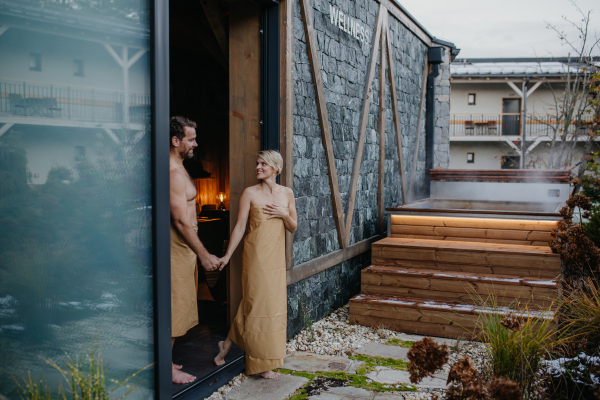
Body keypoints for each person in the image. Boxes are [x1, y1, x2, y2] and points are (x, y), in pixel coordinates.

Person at [213, 150, 297, 379]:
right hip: (255, 258)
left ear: (276, 168)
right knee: (255, 304)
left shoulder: (287, 193)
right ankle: (260, 364)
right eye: (257, 163)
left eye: (263, 164)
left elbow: (293, 227)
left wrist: (283, 214)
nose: (258, 167)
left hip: (276, 260)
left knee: (269, 307)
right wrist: (228, 255)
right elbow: (240, 227)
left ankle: (227, 345)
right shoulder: (250, 193)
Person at [170, 116, 221, 384]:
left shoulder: (180, 167)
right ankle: (164, 369)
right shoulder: (172, 172)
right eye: (191, 139)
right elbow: (179, 220)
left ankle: (164, 360)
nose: (196, 143)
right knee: (175, 305)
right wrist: (204, 255)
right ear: (175, 140)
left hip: (184, 248)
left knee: (181, 303)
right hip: (177, 247)